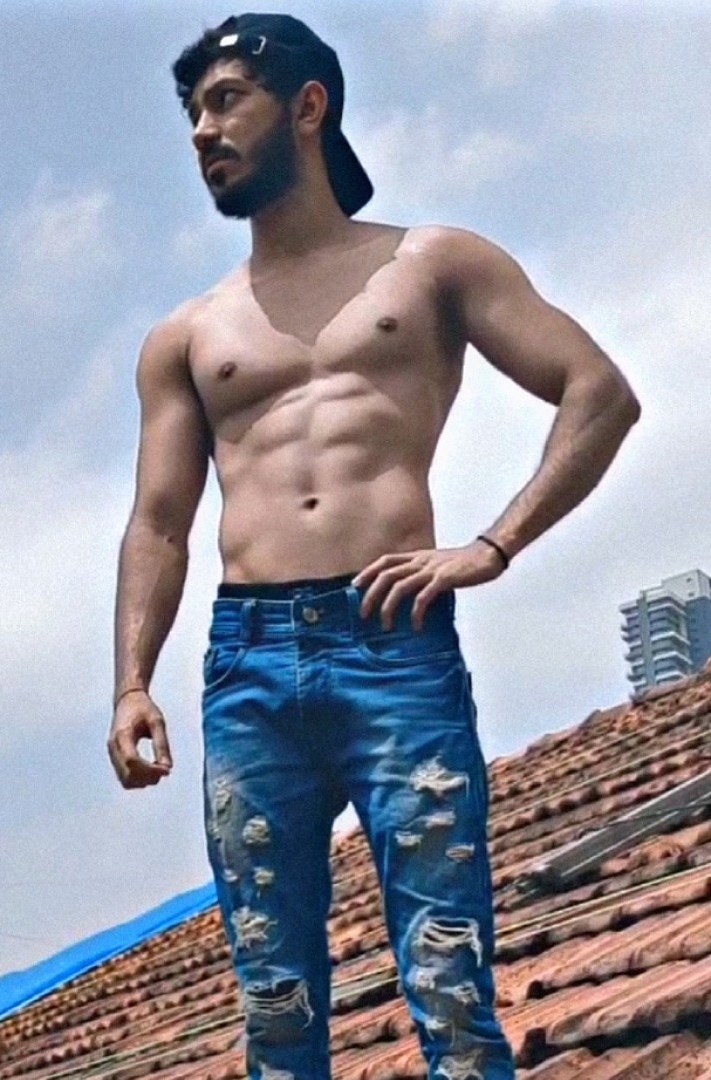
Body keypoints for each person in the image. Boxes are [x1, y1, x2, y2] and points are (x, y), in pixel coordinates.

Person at [106, 13, 640, 1080]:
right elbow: (159, 521)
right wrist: (131, 683)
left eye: (226, 101)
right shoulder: (189, 334)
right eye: (194, 112)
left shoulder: (428, 264)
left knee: (449, 987)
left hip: (392, 643)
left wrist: (492, 545)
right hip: (248, 666)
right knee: (275, 1008)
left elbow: (600, 393)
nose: (203, 131)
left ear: (308, 107)